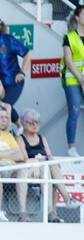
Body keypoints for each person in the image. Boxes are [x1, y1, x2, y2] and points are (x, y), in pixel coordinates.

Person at [63, 3, 84, 157]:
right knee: (74, 111)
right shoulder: (69, 36)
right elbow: (69, 62)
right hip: (72, 80)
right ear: (77, 17)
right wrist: (81, 80)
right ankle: (71, 148)